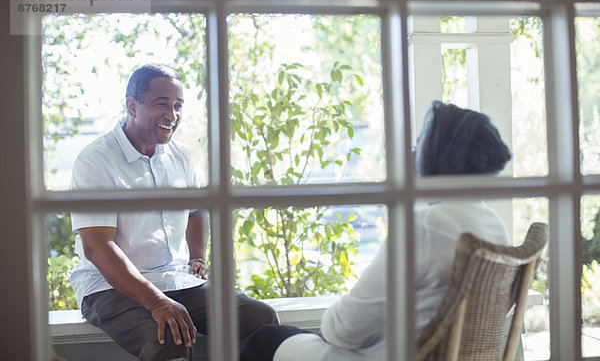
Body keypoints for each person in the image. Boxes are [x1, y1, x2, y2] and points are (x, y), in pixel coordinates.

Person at [240, 100, 512, 361]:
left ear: (438, 159)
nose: (415, 155)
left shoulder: (428, 225)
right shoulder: (493, 226)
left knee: (263, 340)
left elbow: (342, 331)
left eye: (420, 146)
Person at [69, 64, 279, 361]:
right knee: (170, 342)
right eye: (162, 104)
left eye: (178, 105)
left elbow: (195, 211)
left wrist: (197, 256)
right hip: (110, 287)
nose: (172, 115)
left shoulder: (179, 155)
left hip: (175, 280)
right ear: (132, 105)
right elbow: (96, 246)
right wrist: (157, 303)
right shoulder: (95, 160)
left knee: (261, 318)